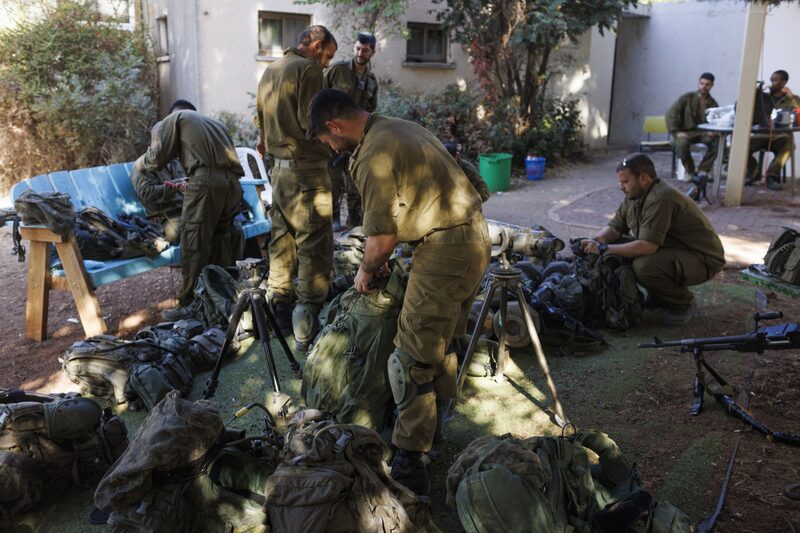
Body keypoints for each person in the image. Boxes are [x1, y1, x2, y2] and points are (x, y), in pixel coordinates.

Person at [307, 88, 491, 499]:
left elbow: (381, 240)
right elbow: (472, 186)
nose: (330, 148)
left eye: (326, 140)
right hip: (475, 238)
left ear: (334, 126)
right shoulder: (398, 127)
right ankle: (433, 428)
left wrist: (366, 270)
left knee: (410, 358)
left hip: (445, 250)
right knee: (441, 341)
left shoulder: (373, 153)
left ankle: (410, 460)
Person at [255, 25, 338, 350]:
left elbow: (261, 133)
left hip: (279, 173)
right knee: (314, 244)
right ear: (316, 46)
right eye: (328, 55)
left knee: (282, 239)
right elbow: (311, 122)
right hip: (308, 171)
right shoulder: (309, 70)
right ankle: (307, 323)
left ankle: (279, 308)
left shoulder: (270, 71)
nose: (327, 64)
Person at [581, 153, 725, 326]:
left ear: (643, 178)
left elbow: (647, 246)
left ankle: (683, 304)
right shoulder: (635, 195)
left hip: (703, 258)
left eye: (625, 182)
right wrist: (594, 241)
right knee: (618, 250)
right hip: (673, 249)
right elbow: (615, 228)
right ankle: (660, 297)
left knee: (643, 266)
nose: (621, 187)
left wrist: (604, 249)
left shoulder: (660, 198)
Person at [135, 100, 244, 311]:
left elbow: (158, 159)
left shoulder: (172, 122)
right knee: (221, 236)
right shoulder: (211, 123)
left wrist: (141, 163)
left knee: (194, 244)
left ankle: (191, 304)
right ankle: (223, 297)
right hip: (231, 183)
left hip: (206, 185)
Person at [324, 32, 379, 230]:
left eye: (365, 50)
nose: (360, 53)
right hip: (334, 134)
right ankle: (333, 218)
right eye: (358, 48)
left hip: (356, 139)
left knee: (355, 179)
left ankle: (355, 221)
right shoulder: (337, 70)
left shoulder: (371, 80)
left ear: (372, 52)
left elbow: (371, 110)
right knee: (333, 178)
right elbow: (320, 97)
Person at [131, 102, 194, 243]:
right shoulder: (142, 165)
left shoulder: (175, 161)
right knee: (197, 226)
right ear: (157, 140)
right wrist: (175, 186)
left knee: (222, 217)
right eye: (170, 140)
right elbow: (147, 194)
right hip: (166, 221)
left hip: (186, 212)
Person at [747, 69, 800, 191]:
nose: (771, 83)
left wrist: (791, 97)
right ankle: (754, 171)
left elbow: (798, 112)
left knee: (789, 147)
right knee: (741, 146)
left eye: (775, 80)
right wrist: (755, 93)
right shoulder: (763, 97)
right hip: (761, 134)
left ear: (783, 82)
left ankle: (771, 176)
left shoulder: (792, 98)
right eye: (771, 80)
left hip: (781, 136)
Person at [666, 72, 719, 179]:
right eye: (702, 83)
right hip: (686, 133)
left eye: (707, 84)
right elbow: (671, 115)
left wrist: (713, 131)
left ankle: (703, 170)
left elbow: (717, 120)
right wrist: (676, 132)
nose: (704, 86)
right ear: (698, 83)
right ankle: (690, 171)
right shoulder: (686, 98)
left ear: (712, 86)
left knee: (718, 142)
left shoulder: (713, 104)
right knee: (681, 145)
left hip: (703, 133)